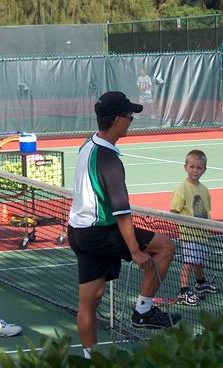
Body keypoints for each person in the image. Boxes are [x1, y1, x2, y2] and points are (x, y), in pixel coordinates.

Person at [68, 91, 180, 359]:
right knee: (165, 246)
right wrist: (135, 251)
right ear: (118, 120)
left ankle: (89, 358)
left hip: (78, 231)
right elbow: (122, 213)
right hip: (100, 231)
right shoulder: (110, 160)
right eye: (130, 116)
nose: (132, 121)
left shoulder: (89, 144)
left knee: (90, 300)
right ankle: (143, 311)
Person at [170, 150, 219, 306]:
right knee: (189, 263)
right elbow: (174, 210)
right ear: (185, 167)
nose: (195, 170)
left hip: (202, 234)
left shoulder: (204, 189)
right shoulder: (182, 188)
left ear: (204, 169)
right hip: (189, 234)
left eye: (199, 168)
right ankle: (184, 291)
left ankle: (200, 283)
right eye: (192, 167)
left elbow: (206, 211)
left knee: (199, 262)